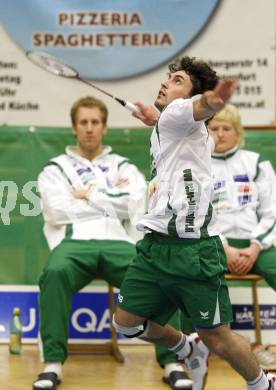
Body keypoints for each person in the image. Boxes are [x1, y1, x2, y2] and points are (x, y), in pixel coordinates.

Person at [113, 56, 276, 390]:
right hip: (156, 246)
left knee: (217, 337)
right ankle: (185, 347)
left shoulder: (180, 114)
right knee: (127, 323)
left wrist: (214, 99)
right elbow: (180, 119)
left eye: (177, 81)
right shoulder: (173, 123)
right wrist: (155, 117)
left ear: (189, 97)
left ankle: (263, 383)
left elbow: (200, 107)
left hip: (194, 252)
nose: (166, 82)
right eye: (169, 77)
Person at [33, 96, 193, 390]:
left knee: (161, 277)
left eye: (95, 122)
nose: (90, 128)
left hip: (119, 242)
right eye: (84, 122)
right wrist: (110, 197)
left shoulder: (123, 165)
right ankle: (52, 364)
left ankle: (172, 363)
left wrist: (88, 195)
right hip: (74, 242)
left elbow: (136, 203)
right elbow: (57, 210)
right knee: (54, 274)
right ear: (74, 128)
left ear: (105, 127)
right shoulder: (55, 168)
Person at [208, 103, 276, 370]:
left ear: (238, 132)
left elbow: (274, 211)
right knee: (186, 277)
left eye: (226, 128)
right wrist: (226, 248)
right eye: (214, 128)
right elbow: (199, 216)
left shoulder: (255, 163)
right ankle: (197, 343)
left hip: (257, 244)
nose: (220, 134)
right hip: (215, 245)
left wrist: (255, 247)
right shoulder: (199, 167)